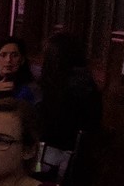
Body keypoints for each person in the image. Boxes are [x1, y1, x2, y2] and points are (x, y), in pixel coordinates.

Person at [36, 31, 103, 159]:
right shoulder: (87, 83)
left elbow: (49, 130)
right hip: (79, 157)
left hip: (54, 157)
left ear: (54, 60)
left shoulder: (64, 88)